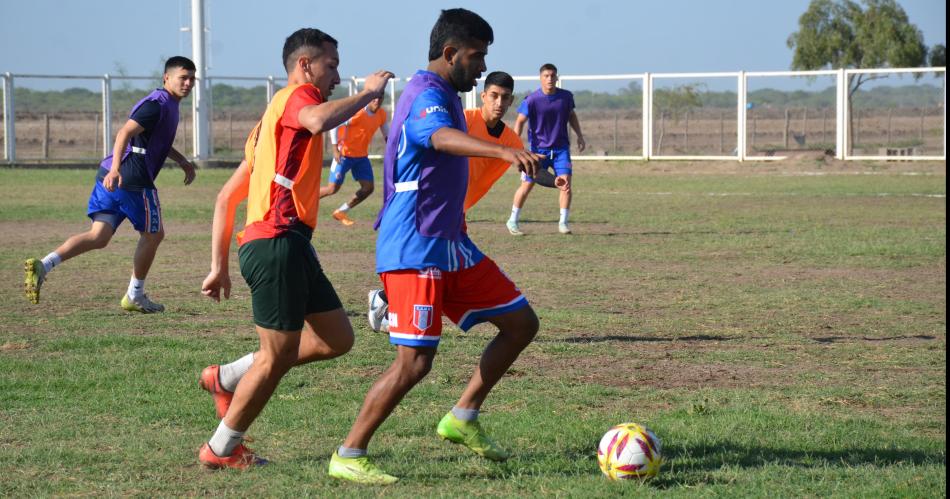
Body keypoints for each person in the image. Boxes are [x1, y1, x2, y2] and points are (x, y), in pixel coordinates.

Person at [328, 9, 544, 485]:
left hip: (448, 239)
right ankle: (349, 452)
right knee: (415, 362)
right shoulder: (426, 93)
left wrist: (525, 160)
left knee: (520, 322)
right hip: (415, 243)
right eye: (476, 56)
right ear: (451, 53)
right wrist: (505, 151)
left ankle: (462, 417)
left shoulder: (445, 92)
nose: (483, 67)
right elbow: (440, 138)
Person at [195, 27, 393, 470]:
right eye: (332, 65)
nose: (337, 76)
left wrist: (219, 266)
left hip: (289, 243)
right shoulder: (296, 100)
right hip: (276, 240)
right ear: (305, 66)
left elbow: (227, 197)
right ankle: (221, 448)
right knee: (278, 355)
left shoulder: (268, 126)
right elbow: (319, 119)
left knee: (336, 338)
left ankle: (225, 377)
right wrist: (368, 94)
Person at [367, 71, 561, 333]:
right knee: (435, 266)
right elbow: (439, 137)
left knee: (441, 269)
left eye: (505, 98)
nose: (499, 103)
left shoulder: (511, 140)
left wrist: (554, 181)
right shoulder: (463, 121)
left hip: (456, 213)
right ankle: (392, 304)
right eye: (493, 96)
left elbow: (531, 170)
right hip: (433, 211)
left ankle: (387, 300)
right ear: (483, 96)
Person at [23, 57, 198, 312]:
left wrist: (183, 161)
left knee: (99, 236)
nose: (189, 83)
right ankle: (135, 295)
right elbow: (124, 133)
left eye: (192, 78)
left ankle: (44, 264)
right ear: (166, 78)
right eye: (183, 77)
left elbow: (154, 140)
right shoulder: (156, 105)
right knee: (154, 235)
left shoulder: (167, 104)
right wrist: (117, 169)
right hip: (131, 178)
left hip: (111, 174)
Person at [506, 63, 586, 236]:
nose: (549, 79)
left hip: (560, 151)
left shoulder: (566, 97)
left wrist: (579, 135)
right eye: (546, 76)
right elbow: (520, 121)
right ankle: (512, 220)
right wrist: (515, 143)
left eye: (552, 76)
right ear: (540, 78)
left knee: (565, 186)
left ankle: (563, 223)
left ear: (557, 77)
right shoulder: (532, 100)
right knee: (527, 186)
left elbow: (572, 116)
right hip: (538, 152)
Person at [320, 96, 390, 226]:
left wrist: (394, 150)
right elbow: (334, 125)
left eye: (380, 99)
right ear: (368, 99)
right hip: (344, 155)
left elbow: (388, 136)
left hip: (361, 157)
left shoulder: (381, 114)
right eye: (373, 99)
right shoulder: (356, 112)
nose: (377, 101)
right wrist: (335, 149)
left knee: (368, 188)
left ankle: (341, 212)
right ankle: (302, 202)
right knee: (332, 189)